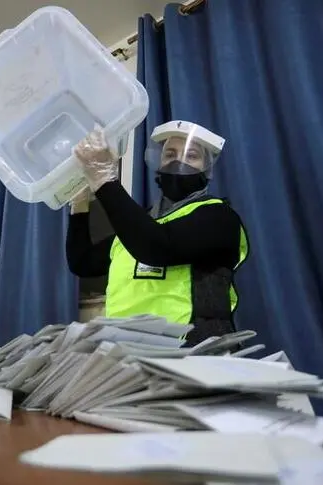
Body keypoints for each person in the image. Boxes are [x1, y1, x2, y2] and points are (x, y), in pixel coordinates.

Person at [66, 120, 249, 346]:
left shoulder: (219, 217)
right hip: (127, 351)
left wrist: (104, 181)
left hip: (194, 351)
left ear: (207, 168)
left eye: (191, 156)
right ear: (158, 162)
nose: (178, 162)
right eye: (169, 154)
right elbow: (83, 262)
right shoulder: (144, 226)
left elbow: (158, 247)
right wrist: (79, 205)